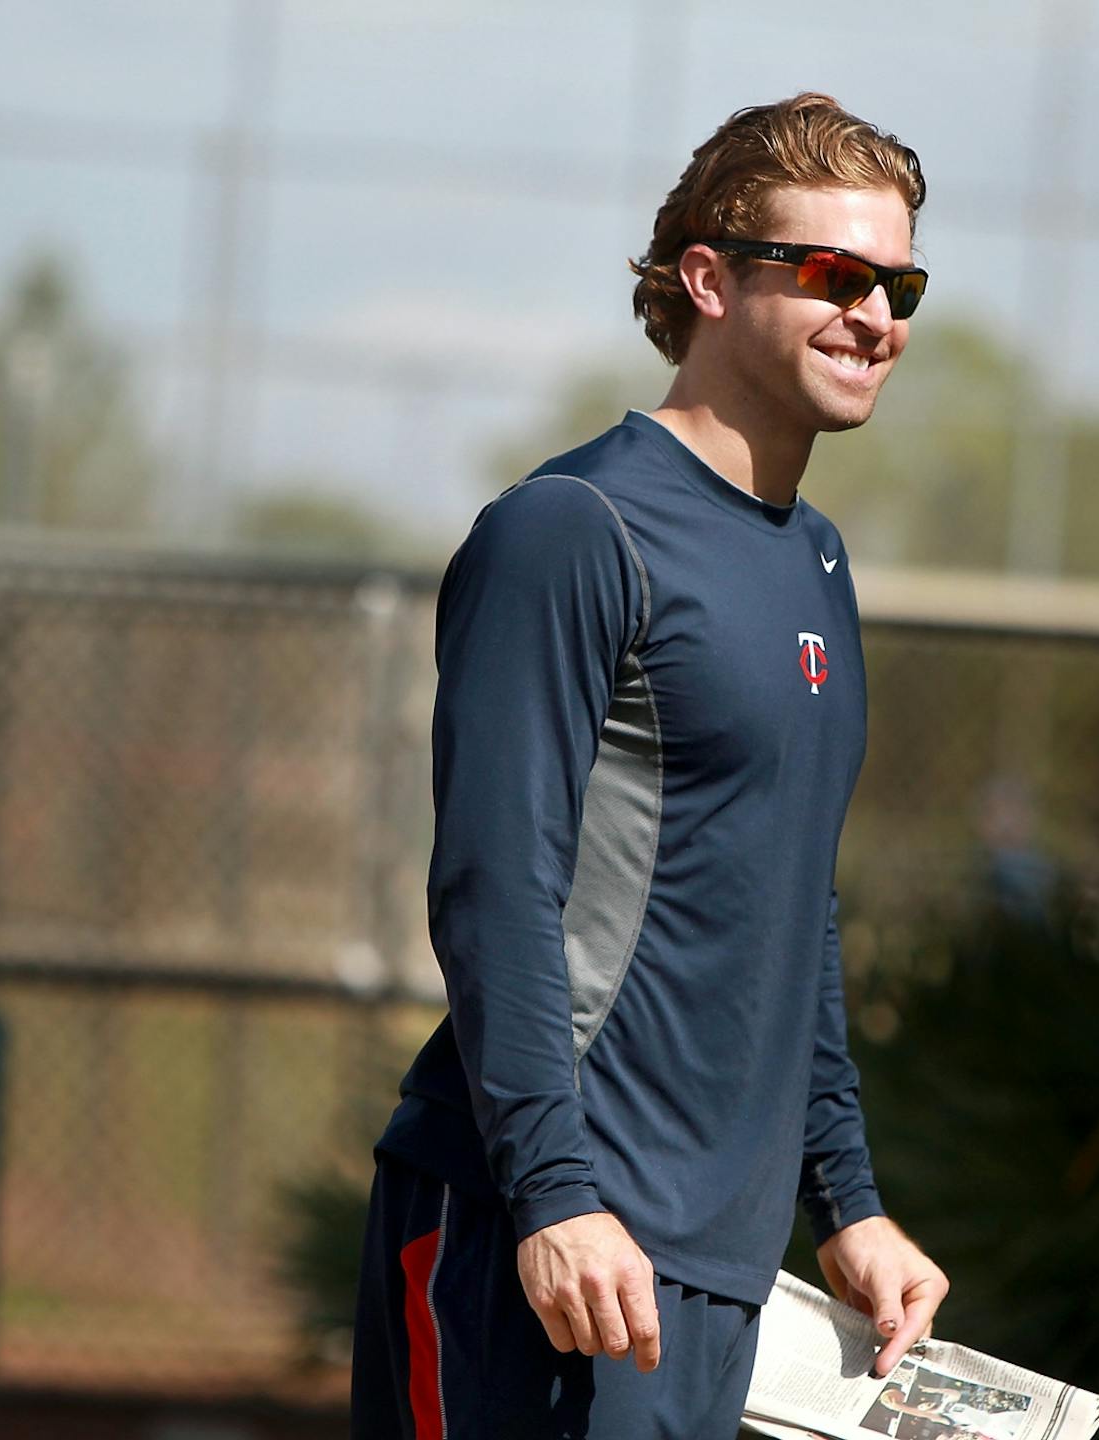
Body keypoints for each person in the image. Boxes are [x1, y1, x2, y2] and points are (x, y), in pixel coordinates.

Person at [353, 92, 948, 1439]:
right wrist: (556, 1197)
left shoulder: (818, 560)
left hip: (716, 1273)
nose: (877, 316)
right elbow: (495, 888)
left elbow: (798, 904)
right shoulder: (575, 529)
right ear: (709, 281)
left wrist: (846, 1204)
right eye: (835, 276)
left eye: (899, 282)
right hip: (550, 1245)